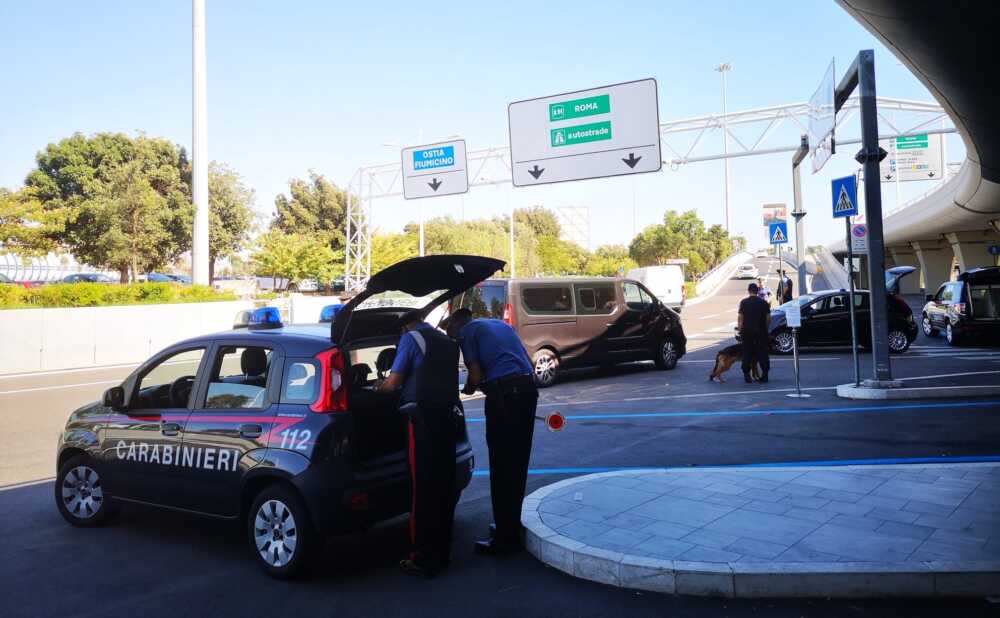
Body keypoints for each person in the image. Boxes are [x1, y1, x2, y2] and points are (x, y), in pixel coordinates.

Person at [443, 308, 537, 555]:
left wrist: (466, 389)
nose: (452, 338)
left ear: (455, 326)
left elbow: (474, 376)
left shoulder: (466, 334)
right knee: (517, 461)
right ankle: (510, 526)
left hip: (505, 395)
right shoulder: (499, 325)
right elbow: (527, 359)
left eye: (449, 332)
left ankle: (504, 540)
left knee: (501, 462)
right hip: (527, 389)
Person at [376, 310, 460, 578]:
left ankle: (421, 557)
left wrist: (378, 386)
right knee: (443, 485)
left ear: (404, 327)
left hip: (422, 420)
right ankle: (442, 551)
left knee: (422, 489)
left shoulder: (411, 339)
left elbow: (393, 383)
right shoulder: (446, 341)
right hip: (448, 418)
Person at [738, 282, 771, 383]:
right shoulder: (764, 303)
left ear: (749, 291)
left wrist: (740, 329)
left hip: (747, 332)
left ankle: (747, 375)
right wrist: (765, 327)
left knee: (747, 353)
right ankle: (764, 375)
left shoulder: (743, 302)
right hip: (761, 332)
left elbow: (740, 318)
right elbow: (768, 319)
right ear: (757, 291)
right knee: (762, 353)